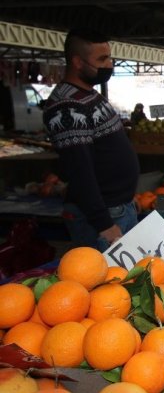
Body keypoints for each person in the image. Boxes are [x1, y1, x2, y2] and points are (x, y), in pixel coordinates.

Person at [42, 29, 139, 251]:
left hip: (118, 208)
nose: (109, 64)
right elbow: (79, 170)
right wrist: (103, 223)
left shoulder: (87, 94)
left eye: (110, 57)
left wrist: (126, 196)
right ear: (77, 62)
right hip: (103, 218)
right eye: (102, 59)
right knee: (110, 282)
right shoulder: (66, 107)